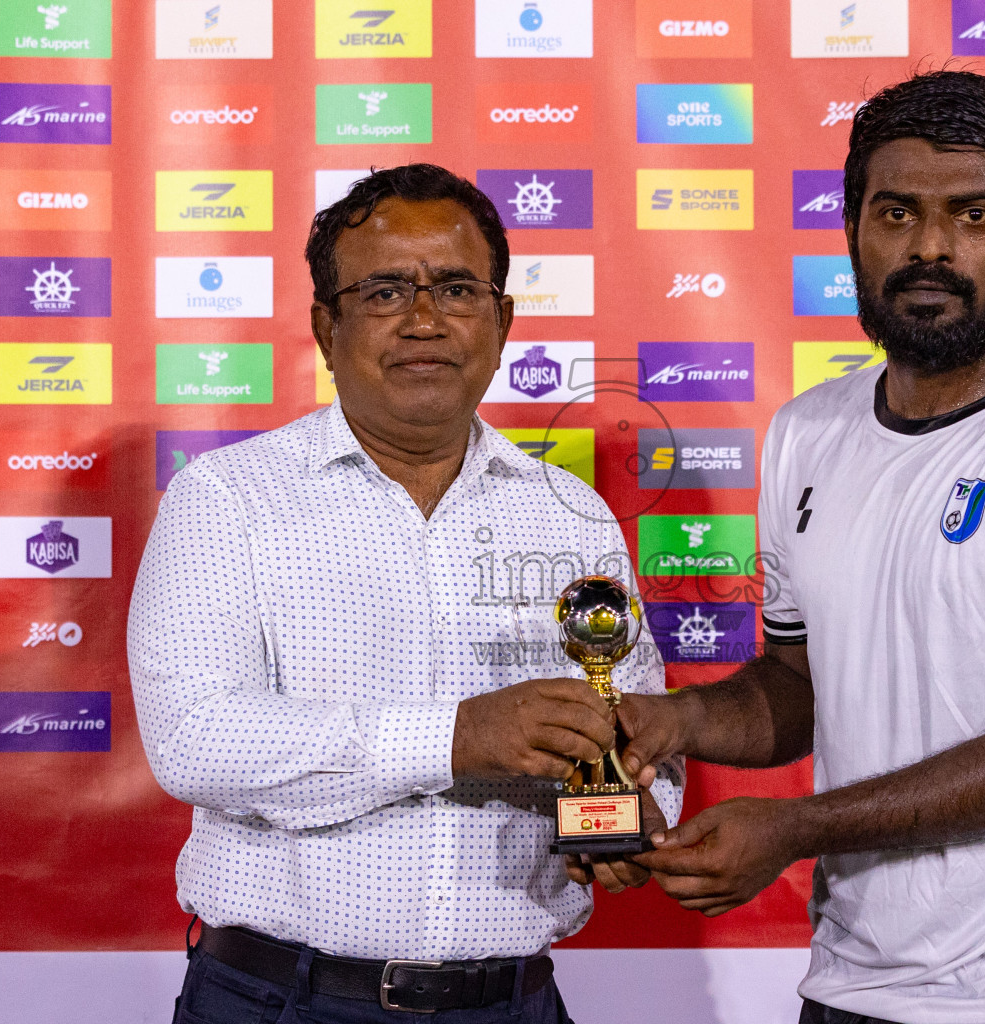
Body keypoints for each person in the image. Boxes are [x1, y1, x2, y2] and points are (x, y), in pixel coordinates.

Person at [620, 71, 985, 1024]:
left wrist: (794, 829)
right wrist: (675, 723)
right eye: (896, 214)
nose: (930, 247)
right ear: (850, 231)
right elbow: (800, 693)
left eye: (972, 214)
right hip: (854, 985)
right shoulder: (804, 432)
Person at [128, 163, 681, 1023]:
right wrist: (458, 736)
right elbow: (194, 739)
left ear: (501, 321)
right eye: (386, 290)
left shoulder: (573, 515)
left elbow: (638, 724)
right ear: (326, 324)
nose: (425, 319)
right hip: (282, 999)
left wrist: (623, 816)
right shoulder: (229, 496)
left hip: (514, 1001)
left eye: (456, 288)